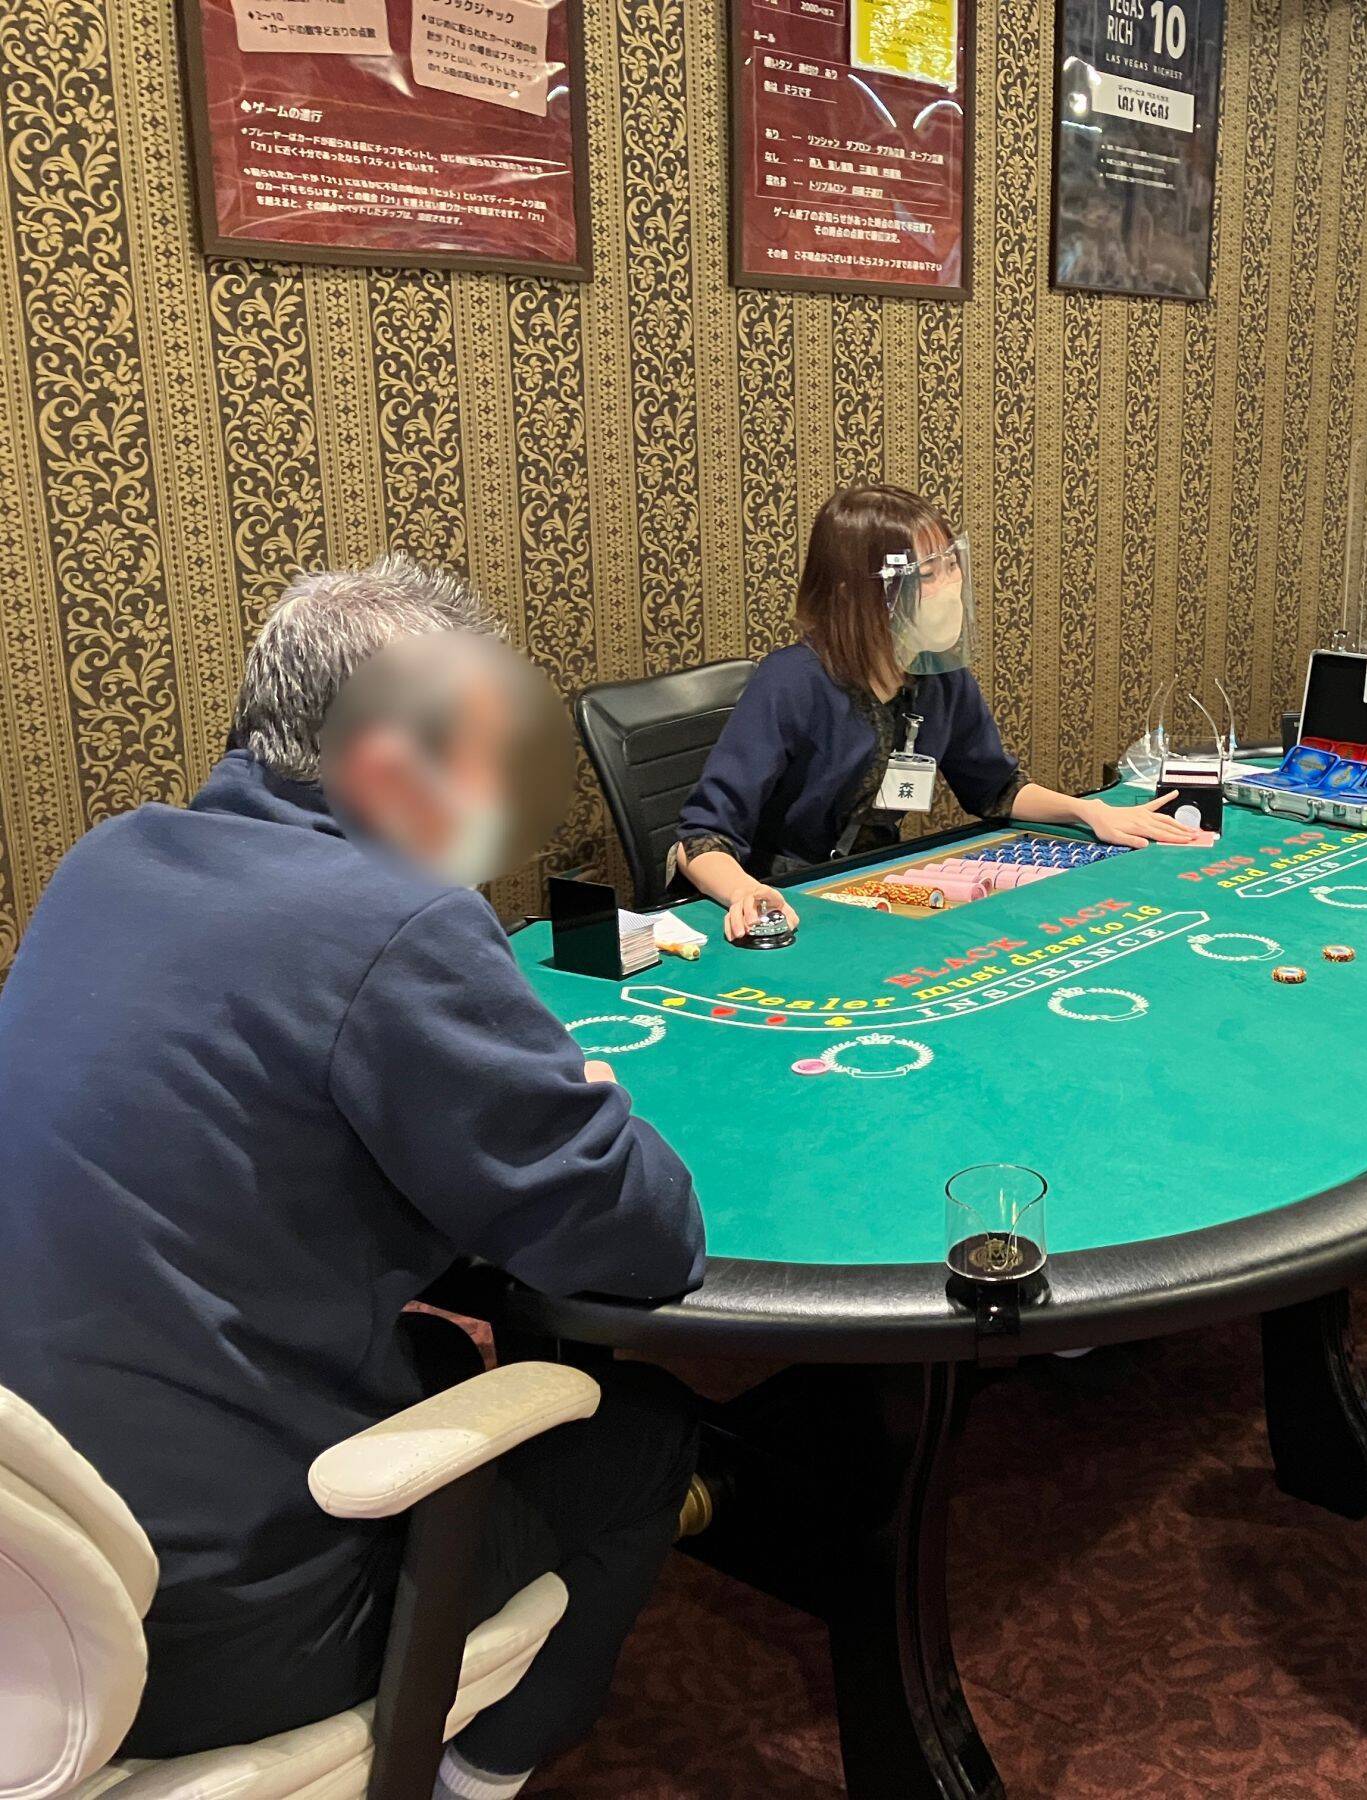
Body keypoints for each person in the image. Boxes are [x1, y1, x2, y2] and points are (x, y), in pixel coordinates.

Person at [0, 556, 707, 1800]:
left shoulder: (107, 856)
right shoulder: (397, 921)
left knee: (435, 1354)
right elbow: (647, 1235)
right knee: (645, 1434)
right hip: (197, 1635)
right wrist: (591, 1099)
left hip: (34, 1581)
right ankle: (473, 1774)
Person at [675, 483, 1198, 940]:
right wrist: (746, 892)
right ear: (856, 595)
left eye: (951, 565)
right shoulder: (791, 682)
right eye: (926, 574)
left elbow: (996, 789)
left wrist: (1091, 811)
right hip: (783, 898)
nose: (949, 586)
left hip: (871, 889)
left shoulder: (941, 677)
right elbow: (701, 839)